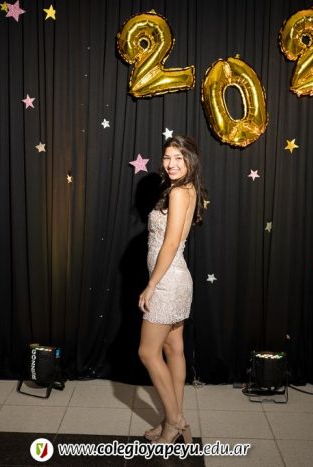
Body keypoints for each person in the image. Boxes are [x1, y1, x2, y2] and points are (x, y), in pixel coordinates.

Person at [138, 135, 208, 444]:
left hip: (167, 282)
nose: (171, 163)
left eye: (178, 157)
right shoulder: (186, 189)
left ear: (190, 160)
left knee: (147, 352)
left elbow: (169, 243)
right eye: (167, 157)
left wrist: (151, 286)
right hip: (177, 278)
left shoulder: (179, 192)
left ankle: (176, 420)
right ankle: (171, 421)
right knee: (173, 348)